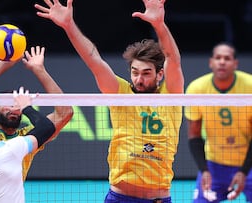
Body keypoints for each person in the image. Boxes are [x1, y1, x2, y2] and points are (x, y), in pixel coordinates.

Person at [34, 0, 184, 202]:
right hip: (120, 197)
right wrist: (69, 26)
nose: (139, 79)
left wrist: (159, 25)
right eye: (135, 72)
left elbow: (173, 59)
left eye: (146, 73)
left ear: (160, 74)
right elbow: (93, 60)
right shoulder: (120, 92)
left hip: (158, 198)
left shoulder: (171, 96)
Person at [0, 45, 73, 181]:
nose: (14, 108)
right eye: (9, 104)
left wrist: (40, 71)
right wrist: (6, 62)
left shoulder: (28, 137)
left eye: (17, 104)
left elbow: (65, 113)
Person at [184, 42, 252, 202]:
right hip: (214, 165)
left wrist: (243, 171)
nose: (222, 61)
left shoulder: (250, 86)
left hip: (249, 163)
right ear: (211, 62)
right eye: (218, 58)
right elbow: (194, 135)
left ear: (235, 64)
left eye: (227, 58)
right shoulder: (197, 89)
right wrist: (204, 170)